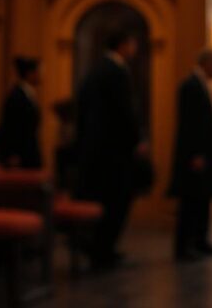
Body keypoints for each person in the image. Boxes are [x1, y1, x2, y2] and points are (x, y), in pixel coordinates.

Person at [75, 28, 146, 270]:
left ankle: (101, 249)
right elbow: (124, 112)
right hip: (114, 153)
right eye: (133, 43)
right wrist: (137, 141)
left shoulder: (96, 69)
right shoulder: (116, 71)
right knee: (116, 201)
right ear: (123, 44)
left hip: (97, 151)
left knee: (105, 200)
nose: (135, 49)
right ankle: (103, 250)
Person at [169, 49, 212, 262]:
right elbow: (189, 125)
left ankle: (201, 241)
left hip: (204, 155)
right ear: (207, 63)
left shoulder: (202, 86)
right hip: (195, 157)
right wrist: (196, 154)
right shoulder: (190, 86)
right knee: (190, 202)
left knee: (202, 201)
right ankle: (184, 247)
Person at [0, 57, 43, 169]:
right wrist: (12, 153)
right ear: (30, 74)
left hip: (29, 153)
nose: (41, 75)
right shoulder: (16, 97)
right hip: (20, 156)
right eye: (38, 72)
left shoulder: (28, 94)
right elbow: (10, 126)